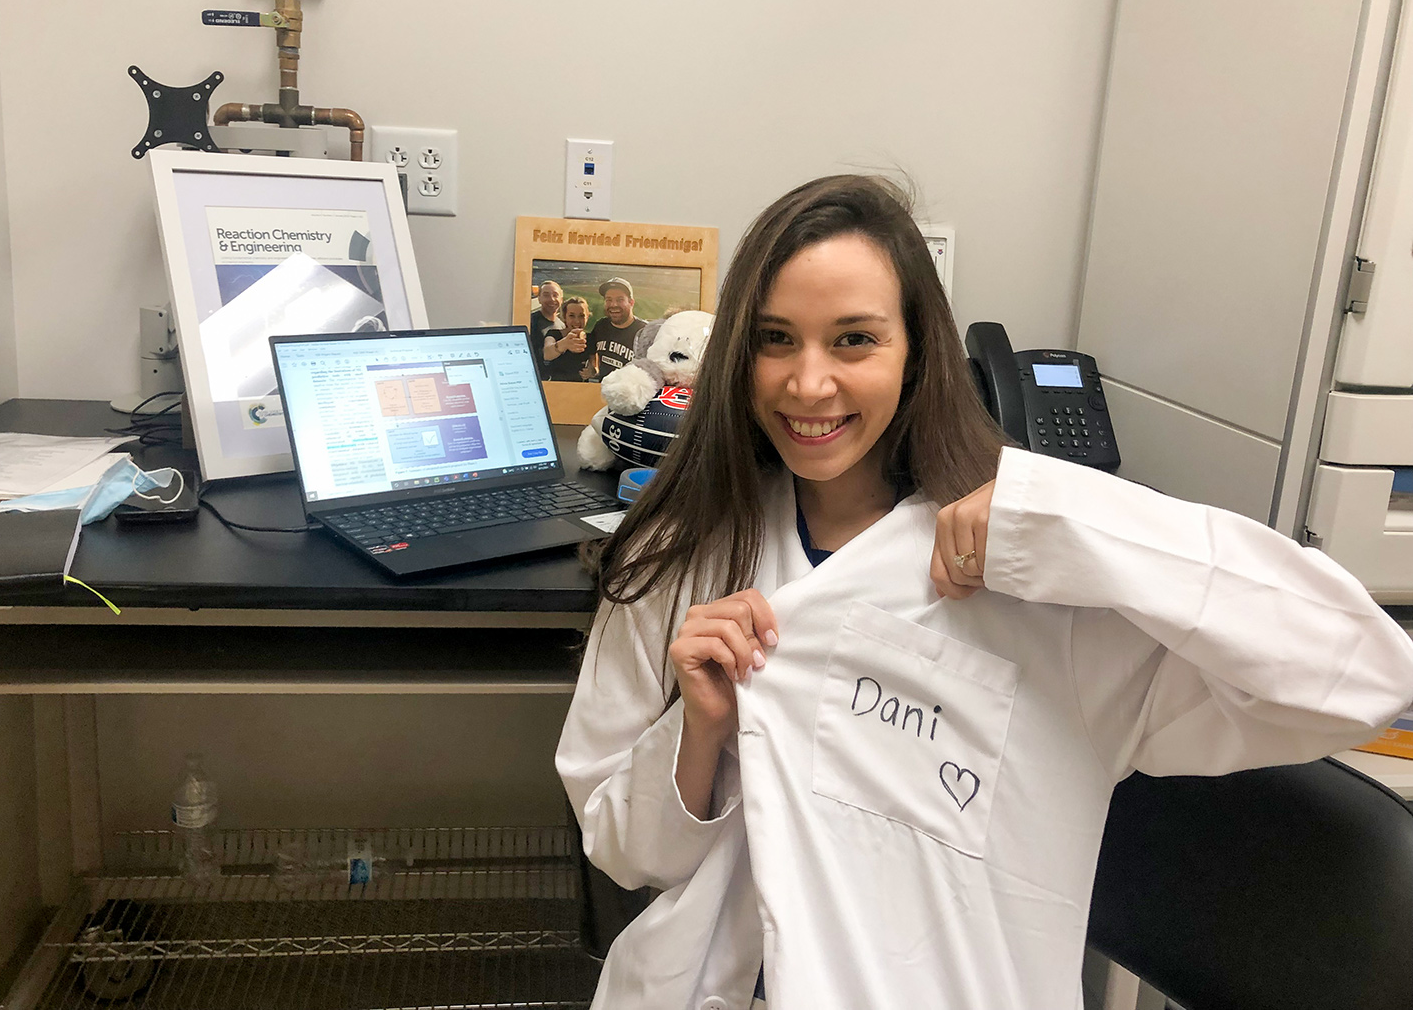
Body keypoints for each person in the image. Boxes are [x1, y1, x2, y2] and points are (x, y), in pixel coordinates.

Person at [555, 174, 1413, 1010]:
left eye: (854, 339)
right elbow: (625, 848)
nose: (807, 383)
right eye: (776, 339)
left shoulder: (1043, 598)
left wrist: (1074, 516)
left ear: (918, 350)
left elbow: (1363, 674)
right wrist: (696, 733)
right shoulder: (682, 555)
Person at [587, 276, 646, 381]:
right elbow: (591, 349)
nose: (613, 305)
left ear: (631, 303)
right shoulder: (601, 325)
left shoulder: (644, 332)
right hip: (603, 389)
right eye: (608, 300)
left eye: (620, 300)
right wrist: (593, 366)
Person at [543, 296, 597, 382]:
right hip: (556, 388)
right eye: (572, 316)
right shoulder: (554, 334)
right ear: (564, 317)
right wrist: (565, 343)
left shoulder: (590, 339)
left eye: (581, 316)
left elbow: (594, 364)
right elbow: (547, 354)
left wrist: (592, 371)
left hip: (580, 389)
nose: (577, 321)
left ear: (587, 317)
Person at [529, 279, 565, 362]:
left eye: (555, 295)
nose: (552, 299)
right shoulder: (531, 322)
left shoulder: (562, 325)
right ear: (539, 299)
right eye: (546, 295)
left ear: (561, 300)